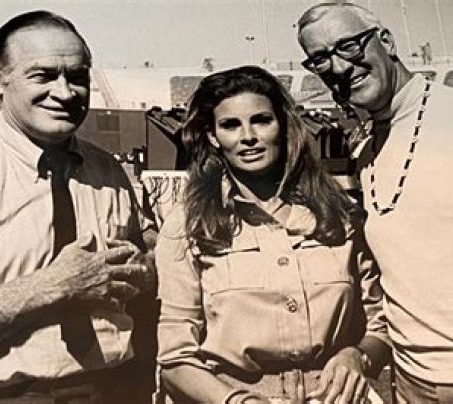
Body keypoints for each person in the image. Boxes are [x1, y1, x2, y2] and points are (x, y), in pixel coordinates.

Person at [0, 11, 158, 402]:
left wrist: (146, 268)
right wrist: (53, 286)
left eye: (78, 77)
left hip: (111, 388)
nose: (66, 93)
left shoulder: (108, 171)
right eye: (43, 76)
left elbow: (142, 273)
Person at [297, 2, 453, 403]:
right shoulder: (367, 150)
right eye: (321, 58)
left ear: (386, 41)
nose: (339, 67)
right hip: (411, 384)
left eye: (349, 46)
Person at [154, 65, 391, 403]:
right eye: (230, 125)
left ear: (283, 126)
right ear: (213, 137)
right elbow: (175, 359)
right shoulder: (189, 224)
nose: (248, 136)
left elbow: (380, 322)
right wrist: (238, 401)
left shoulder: (338, 215)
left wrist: (358, 356)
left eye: (261, 121)